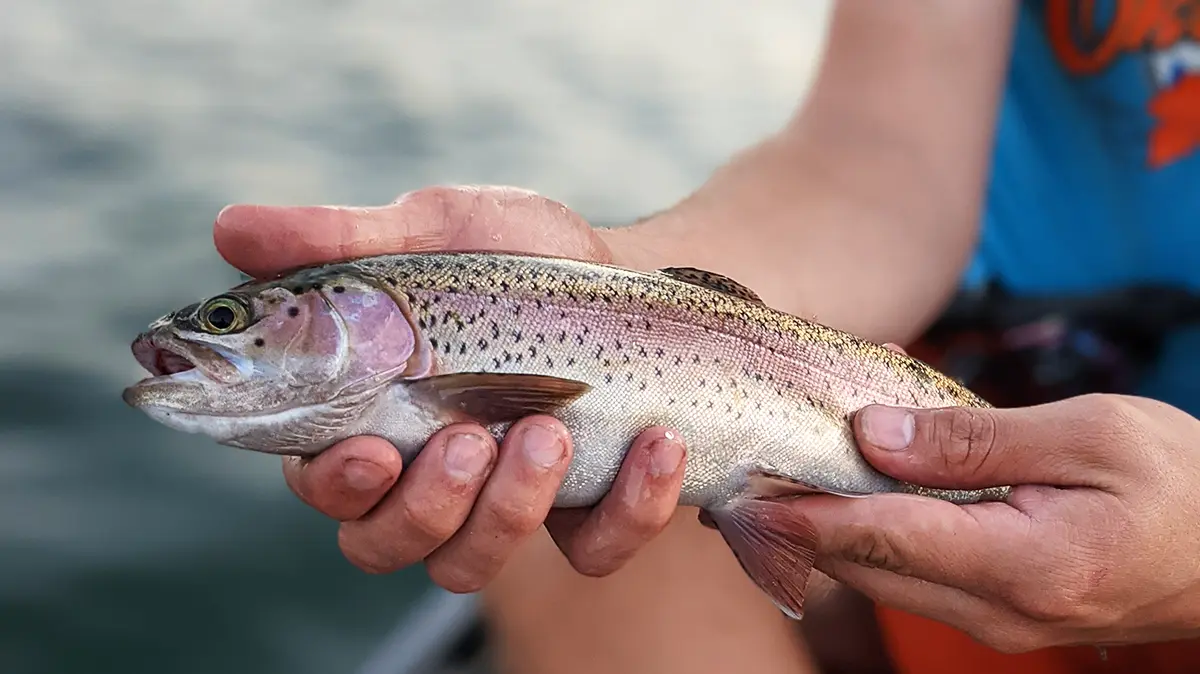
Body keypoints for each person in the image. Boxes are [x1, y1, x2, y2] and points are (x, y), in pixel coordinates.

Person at [211, 1, 1200, 673]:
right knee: (556, 512)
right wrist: (605, 275)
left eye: (231, 324)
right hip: (954, 416)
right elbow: (871, 169)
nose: (220, 338)